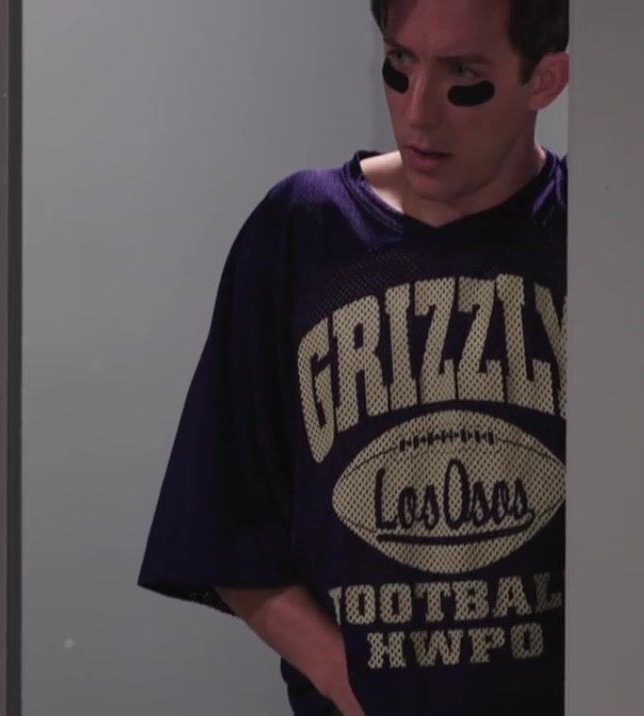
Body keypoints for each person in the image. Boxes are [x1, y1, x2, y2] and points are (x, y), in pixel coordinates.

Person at [136, 0, 569, 713]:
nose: (419, 113)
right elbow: (226, 525)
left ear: (544, 81)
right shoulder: (303, 231)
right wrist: (349, 682)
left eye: (463, 77)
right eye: (400, 64)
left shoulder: (591, 232)